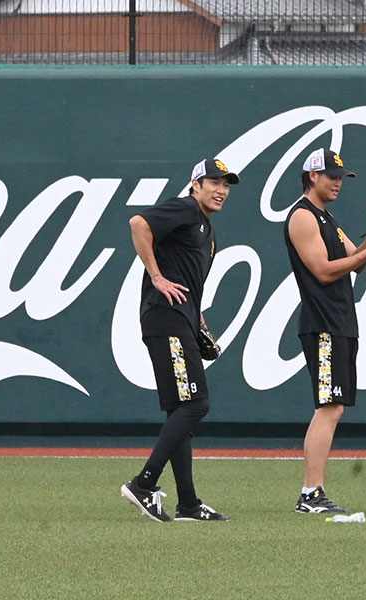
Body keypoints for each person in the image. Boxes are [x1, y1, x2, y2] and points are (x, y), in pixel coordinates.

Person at [120, 158, 239, 522]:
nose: (221, 190)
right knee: (196, 404)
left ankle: (187, 503)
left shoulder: (206, 229)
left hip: (180, 319)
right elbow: (138, 223)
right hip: (165, 317)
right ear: (195, 185)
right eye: (213, 182)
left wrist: (197, 316)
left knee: (180, 409)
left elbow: (187, 276)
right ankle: (144, 484)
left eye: (226, 184)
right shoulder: (186, 207)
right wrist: (155, 276)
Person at [284, 148, 366, 514]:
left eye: (342, 177)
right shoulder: (302, 216)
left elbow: (356, 261)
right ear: (312, 176)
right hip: (323, 323)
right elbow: (325, 270)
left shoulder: (327, 218)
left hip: (340, 321)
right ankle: (310, 493)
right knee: (328, 407)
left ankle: (313, 492)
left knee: (335, 407)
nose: (338, 182)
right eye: (332, 176)